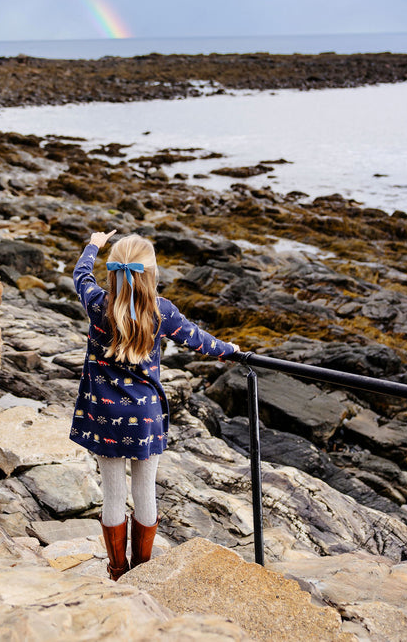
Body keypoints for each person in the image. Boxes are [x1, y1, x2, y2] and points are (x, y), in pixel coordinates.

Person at [70, 229, 240, 580]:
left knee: (113, 496)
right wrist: (230, 352)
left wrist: (93, 244)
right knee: (145, 494)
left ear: (113, 274)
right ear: (152, 275)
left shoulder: (97, 304)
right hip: (144, 417)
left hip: (104, 414)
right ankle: (142, 569)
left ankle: (118, 570)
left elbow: (80, 274)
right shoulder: (161, 312)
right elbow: (200, 340)